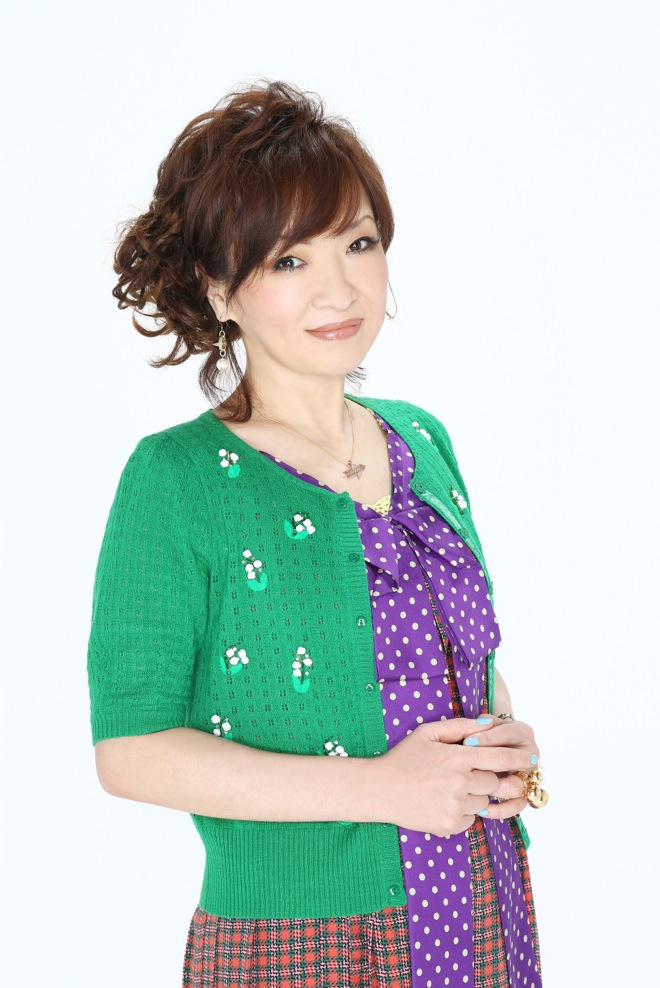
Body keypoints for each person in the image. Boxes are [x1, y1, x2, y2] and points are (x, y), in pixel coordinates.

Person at [87, 79, 545, 988]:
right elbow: (129, 751)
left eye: (359, 243)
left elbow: (454, 656)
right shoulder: (176, 478)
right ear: (218, 288)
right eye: (289, 260)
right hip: (306, 941)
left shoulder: (421, 441)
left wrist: (504, 746)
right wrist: (383, 788)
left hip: (482, 904)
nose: (340, 289)